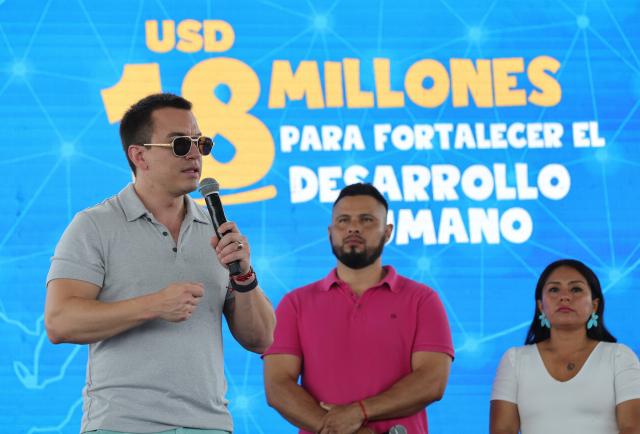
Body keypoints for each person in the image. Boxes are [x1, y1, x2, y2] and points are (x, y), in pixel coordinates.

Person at [44, 93, 275, 434]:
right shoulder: (94, 226)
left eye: (201, 143)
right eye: (180, 144)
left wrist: (244, 276)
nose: (195, 154)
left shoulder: (217, 230)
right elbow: (59, 322)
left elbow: (264, 339)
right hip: (122, 426)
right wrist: (154, 305)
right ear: (139, 156)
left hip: (209, 425)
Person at [263, 183, 454, 434]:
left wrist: (359, 412)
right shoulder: (296, 303)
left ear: (388, 232)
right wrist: (338, 429)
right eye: (343, 220)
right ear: (330, 232)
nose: (353, 227)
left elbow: (432, 380)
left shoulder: (422, 300)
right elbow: (277, 385)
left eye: (366, 219)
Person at [490, 259, 640, 434]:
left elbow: (633, 428)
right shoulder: (515, 360)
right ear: (540, 306)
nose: (565, 297)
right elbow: (503, 429)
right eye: (554, 289)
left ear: (594, 305)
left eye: (576, 289)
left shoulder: (619, 357)